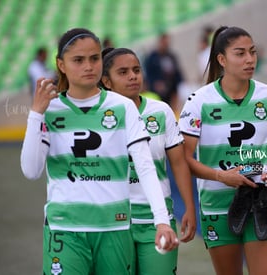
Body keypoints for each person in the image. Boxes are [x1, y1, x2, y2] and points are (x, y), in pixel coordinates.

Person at [20, 28, 178, 274]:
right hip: (64, 230)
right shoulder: (49, 110)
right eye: (78, 60)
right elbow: (31, 170)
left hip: (114, 230)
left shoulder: (123, 107)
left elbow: (145, 168)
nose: (88, 66)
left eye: (94, 58)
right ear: (61, 65)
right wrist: (36, 114)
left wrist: (161, 221)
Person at [179, 26, 267, 275]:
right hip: (217, 205)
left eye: (252, 52)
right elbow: (183, 160)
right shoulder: (198, 101)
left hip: (263, 203)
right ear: (222, 59)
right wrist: (221, 176)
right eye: (240, 53)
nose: (250, 59)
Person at [100, 47, 197, 274]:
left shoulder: (161, 111)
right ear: (106, 81)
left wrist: (189, 207)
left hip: (156, 221)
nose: (133, 76)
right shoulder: (97, 116)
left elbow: (179, 163)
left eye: (136, 70)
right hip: (112, 223)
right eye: (123, 72)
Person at [143, 32, 184, 112]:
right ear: (160, 42)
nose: (166, 45)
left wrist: (178, 86)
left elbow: (178, 73)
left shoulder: (171, 56)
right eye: (164, 43)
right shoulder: (152, 58)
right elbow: (148, 75)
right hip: (157, 92)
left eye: (167, 43)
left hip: (171, 90)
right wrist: (155, 84)